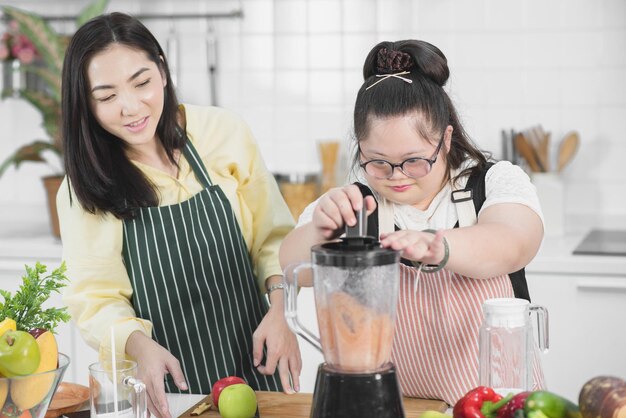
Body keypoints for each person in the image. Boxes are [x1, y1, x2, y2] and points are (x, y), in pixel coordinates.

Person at [57, 12, 301, 418]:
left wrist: (280, 311)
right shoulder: (84, 186)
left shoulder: (223, 132)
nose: (131, 108)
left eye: (142, 82)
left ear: (163, 71)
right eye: (106, 96)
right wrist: (138, 346)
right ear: (86, 103)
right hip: (170, 387)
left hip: (259, 367)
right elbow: (96, 300)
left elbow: (273, 239)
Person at [279, 39, 545, 405]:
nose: (397, 176)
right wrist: (321, 231)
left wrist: (439, 245)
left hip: (499, 404)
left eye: (415, 160)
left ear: (446, 139)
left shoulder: (493, 181)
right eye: (378, 162)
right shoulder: (357, 206)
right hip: (400, 407)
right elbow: (293, 265)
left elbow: (515, 242)